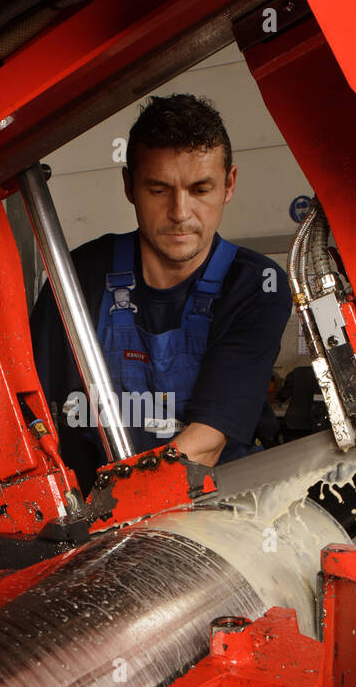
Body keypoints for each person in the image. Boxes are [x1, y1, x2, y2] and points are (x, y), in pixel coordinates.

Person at [30, 93, 292, 492]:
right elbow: (25, 416)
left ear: (229, 185)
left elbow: (205, 444)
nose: (180, 213)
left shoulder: (255, 285)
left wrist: (118, 507)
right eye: (158, 190)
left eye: (200, 190)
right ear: (129, 186)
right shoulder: (77, 278)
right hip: (96, 510)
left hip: (225, 508)